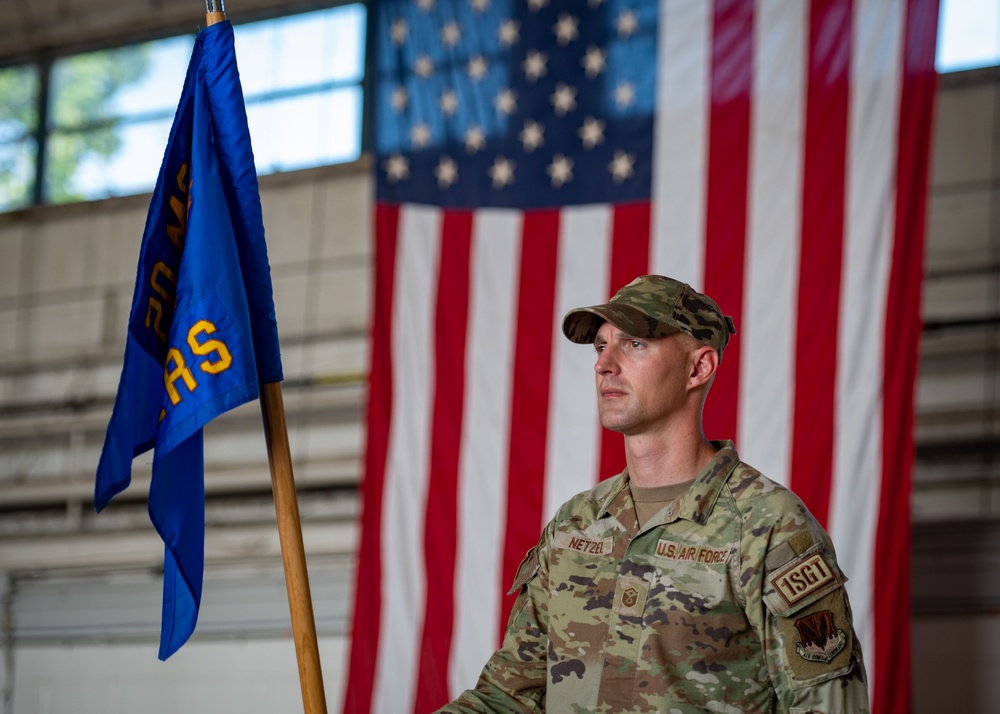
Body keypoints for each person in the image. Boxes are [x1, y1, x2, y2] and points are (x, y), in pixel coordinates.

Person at [437, 275, 869, 713]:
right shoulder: (576, 524)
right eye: (601, 346)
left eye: (634, 344)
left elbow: (828, 706)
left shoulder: (768, 525)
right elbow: (508, 699)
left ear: (698, 368)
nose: (604, 363)